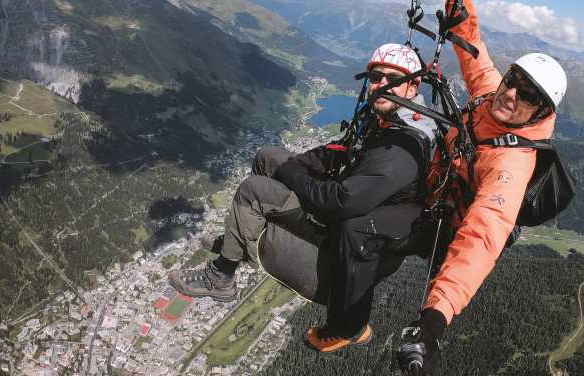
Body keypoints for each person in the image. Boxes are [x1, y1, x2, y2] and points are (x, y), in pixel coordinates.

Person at [169, 43, 436, 353]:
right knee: (267, 157)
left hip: (339, 237)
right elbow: (342, 151)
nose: (381, 85)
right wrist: (299, 163)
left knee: (253, 190)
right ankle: (237, 244)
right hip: (338, 210)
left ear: (414, 85)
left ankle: (221, 278)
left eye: (392, 79)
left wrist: (291, 174)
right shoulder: (386, 117)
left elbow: (340, 202)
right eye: (376, 77)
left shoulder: (401, 149)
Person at [397, 0, 567, 375]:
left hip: (446, 228)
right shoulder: (491, 94)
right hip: (433, 190)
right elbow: (471, 42)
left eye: (528, 95)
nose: (511, 94)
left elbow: (482, 235)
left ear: (541, 112)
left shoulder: (511, 165)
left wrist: (434, 320)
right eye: (514, 81)